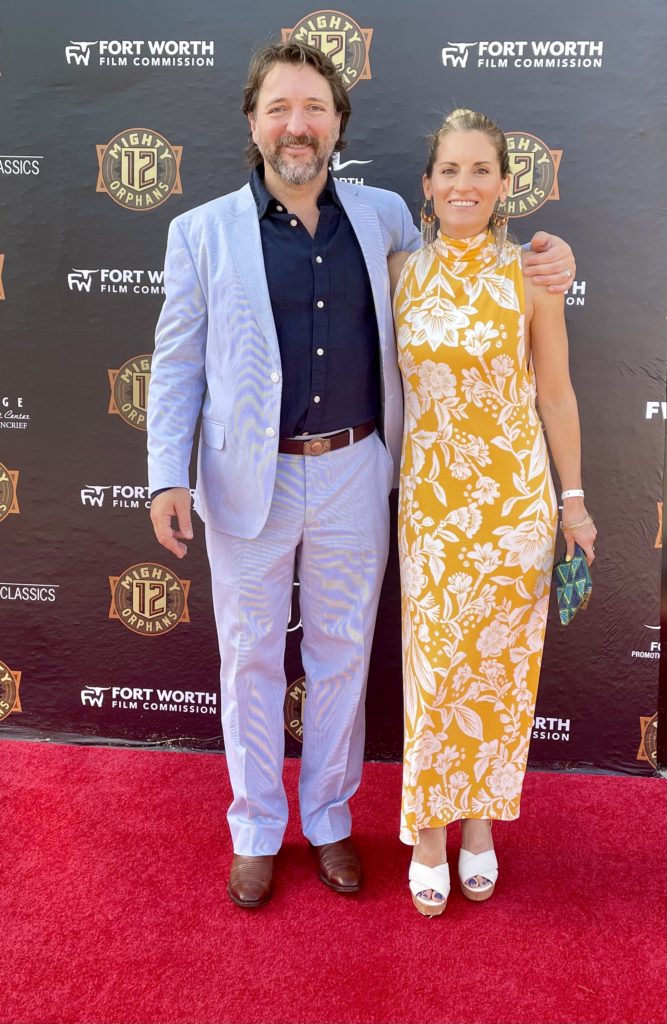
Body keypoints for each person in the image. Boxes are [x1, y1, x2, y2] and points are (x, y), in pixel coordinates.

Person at [147, 43, 576, 910]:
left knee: (342, 658)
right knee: (249, 659)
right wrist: (165, 476)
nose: (296, 125)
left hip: (356, 469)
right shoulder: (200, 232)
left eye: (314, 108)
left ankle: (330, 820)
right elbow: (176, 363)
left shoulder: (382, 219)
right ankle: (255, 830)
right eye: (279, 108)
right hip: (247, 479)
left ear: (338, 123)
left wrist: (553, 259)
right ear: (252, 122)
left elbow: (468, 262)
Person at [389, 108, 596, 917]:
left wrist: (572, 503)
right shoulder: (398, 272)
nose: (464, 184)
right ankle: (427, 831)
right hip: (431, 507)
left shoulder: (530, 277)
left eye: (480, 170)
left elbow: (556, 394)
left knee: (500, 672)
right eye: (450, 169)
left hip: (514, 507)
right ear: (427, 184)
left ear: (505, 185)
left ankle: (478, 824)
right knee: (436, 670)